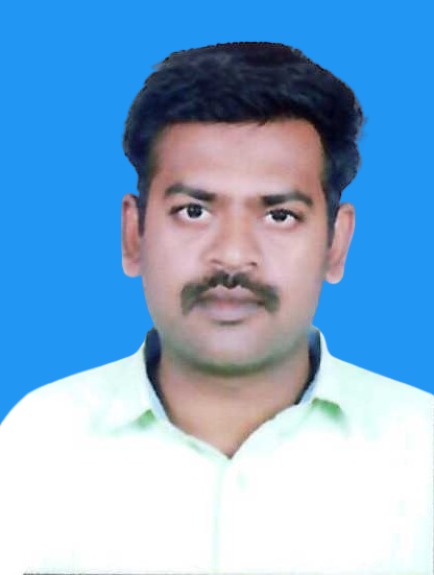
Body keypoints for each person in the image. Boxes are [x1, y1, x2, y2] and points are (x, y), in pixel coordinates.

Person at [1, 42, 432, 575]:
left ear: (336, 244)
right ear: (133, 235)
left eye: (279, 216)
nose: (232, 255)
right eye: (194, 211)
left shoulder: (423, 450)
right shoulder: (34, 444)